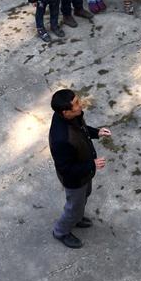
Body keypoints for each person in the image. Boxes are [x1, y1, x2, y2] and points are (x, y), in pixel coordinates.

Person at [49, 89, 112, 249]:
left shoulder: (73, 117)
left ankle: (77, 218)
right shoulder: (61, 139)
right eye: (76, 104)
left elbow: (82, 131)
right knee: (74, 208)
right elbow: (65, 170)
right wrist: (92, 165)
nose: (80, 104)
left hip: (84, 171)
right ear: (65, 112)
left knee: (86, 194)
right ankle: (61, 231)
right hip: (75, 179)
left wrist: (96, 132)